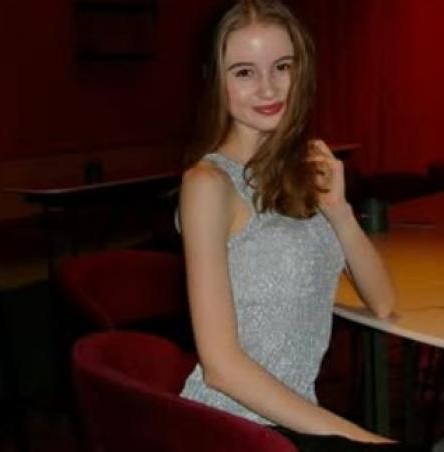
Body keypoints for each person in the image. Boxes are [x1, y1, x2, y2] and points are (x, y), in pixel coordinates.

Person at [178, 1, 401, 450]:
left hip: (291, 419)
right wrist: (357, 436)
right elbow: (220, 367)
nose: (268, 87)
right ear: (217, 81)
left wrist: (339, 210)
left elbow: (382, 302)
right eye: (244, 72)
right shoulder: (208, 184)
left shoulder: (301, 170)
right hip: (231, 426)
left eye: (282, 66)